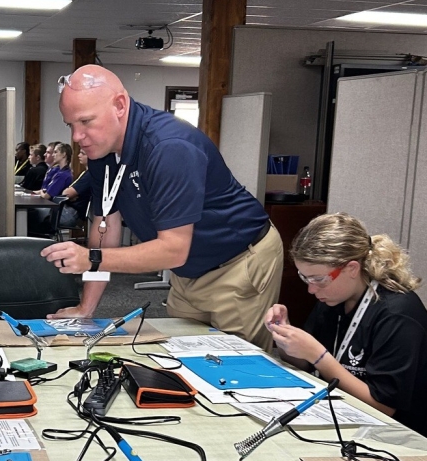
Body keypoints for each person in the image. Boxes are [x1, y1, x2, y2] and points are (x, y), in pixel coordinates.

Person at [41, 65, 283, 348]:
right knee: (180, 357)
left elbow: (173, 250)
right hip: (187, 270)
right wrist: (86, 308)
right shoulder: (102, 154)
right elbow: (105, 225)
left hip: (238, 261)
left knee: (235, 369)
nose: (77, 136)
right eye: (71, 124)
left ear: (119, 105)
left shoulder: (169, 147)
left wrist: (92, 258)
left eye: (86, 122)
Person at [262, 213, 427, 439]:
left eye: (318, 279)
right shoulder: (334, 299)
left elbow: (382, 407)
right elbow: (306, 364)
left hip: (388, 438)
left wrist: (319, 357)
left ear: (352, 268)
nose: (311, 290)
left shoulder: (398, 316)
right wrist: (286, 338)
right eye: (305, 278)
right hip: (339, 418)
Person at [59, 150, 90, 230]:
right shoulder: (85, 173)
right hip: (68, 209)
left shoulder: (90, 175)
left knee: (35, 215)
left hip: (72, 213)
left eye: (83, 153)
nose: (79, 155)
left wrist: (70, 194)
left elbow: (66, 194)